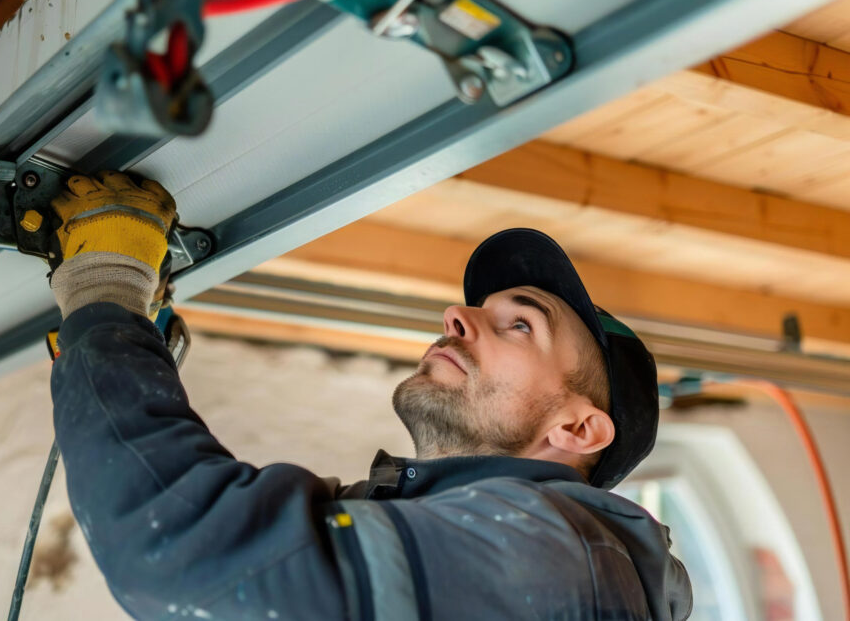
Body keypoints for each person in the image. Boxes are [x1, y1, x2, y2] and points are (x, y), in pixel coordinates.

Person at [47, 172, 692, 620]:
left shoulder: (553, 553)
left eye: (520, 325)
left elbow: (192, 548)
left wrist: (108, 292)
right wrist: (117, 340)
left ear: (578, 431)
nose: (455, 317)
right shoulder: (491, 537)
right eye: (477, 308)